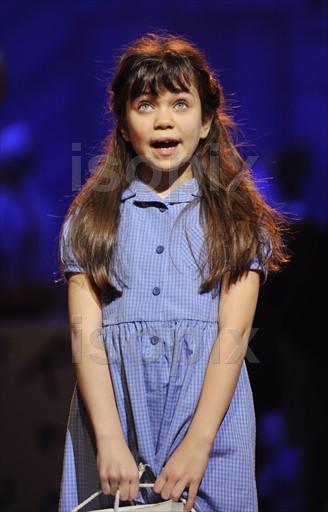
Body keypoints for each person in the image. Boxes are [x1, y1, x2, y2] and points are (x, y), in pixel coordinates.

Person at [57, 31, 289, 512]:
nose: (163, 118)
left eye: (180, 103)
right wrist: (109, 438)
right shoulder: (94, 220)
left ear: (206, 121)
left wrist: (199, 443)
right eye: (145, 105)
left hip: (207, 421)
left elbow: (234, 333)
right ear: (123, 123)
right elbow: (85, 334)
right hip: (115, 418)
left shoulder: (235, 217)